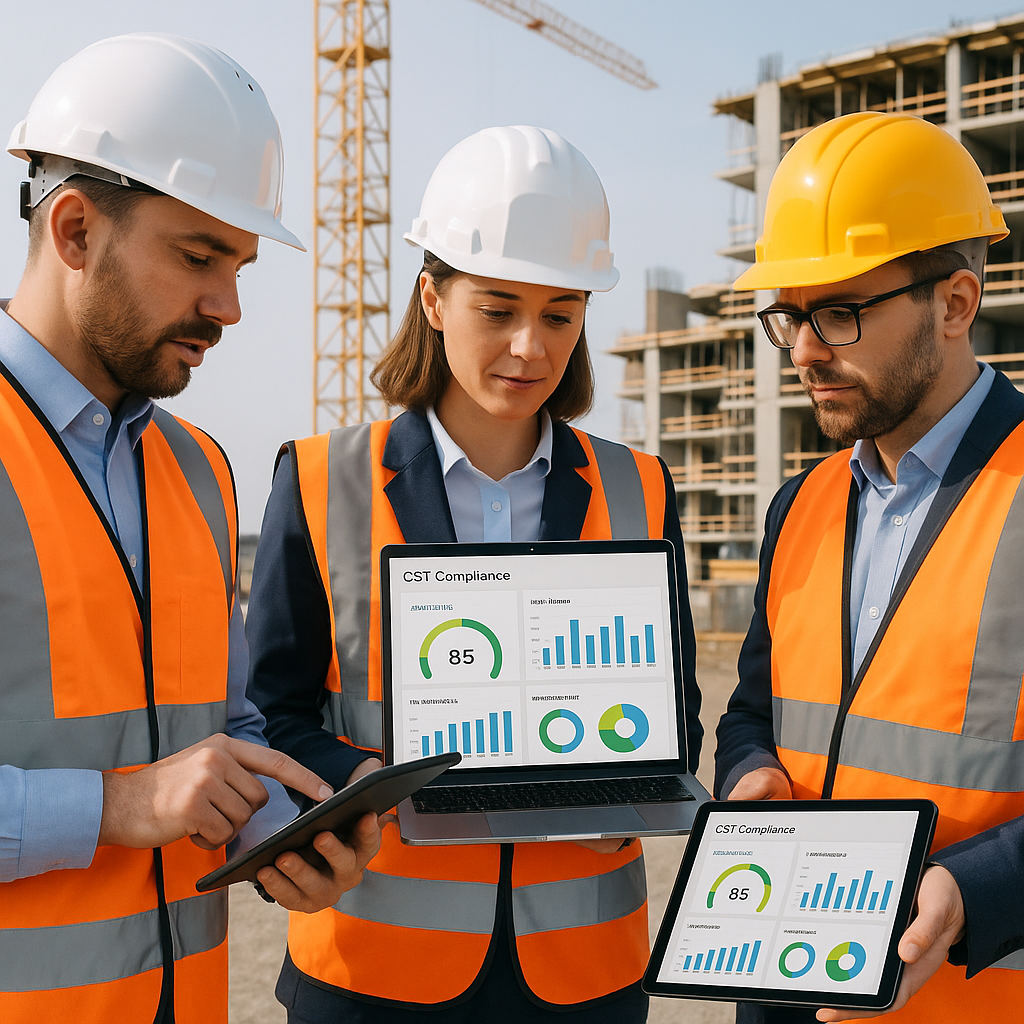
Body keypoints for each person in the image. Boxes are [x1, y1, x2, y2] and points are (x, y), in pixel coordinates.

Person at [246, 124, 704, 1022]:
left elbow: (676, 715)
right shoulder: (320, 479)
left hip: (582, 973)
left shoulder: (640, 486)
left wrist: (633, 776)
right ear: (432, 298)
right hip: (372, 971)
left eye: (560, 315)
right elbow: (272, 715)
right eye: (497, 310)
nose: (530, 347)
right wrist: (368, 779)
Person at [0, 34, 382, 1024]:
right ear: (75, 229)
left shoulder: (198, 469)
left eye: (241, 264)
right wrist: (118, 807)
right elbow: (151, 791)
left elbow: (228, 729)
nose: (230, 307)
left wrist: (282, 832)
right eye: (198, 256)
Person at [714, 110, 1024, 1023]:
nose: (806, 352)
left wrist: (980, 885)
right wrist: (749, 774)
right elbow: (754, 711)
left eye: (840, 313)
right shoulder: (800, 506)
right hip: (781, 989)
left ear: (955, 305)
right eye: (790, 318)